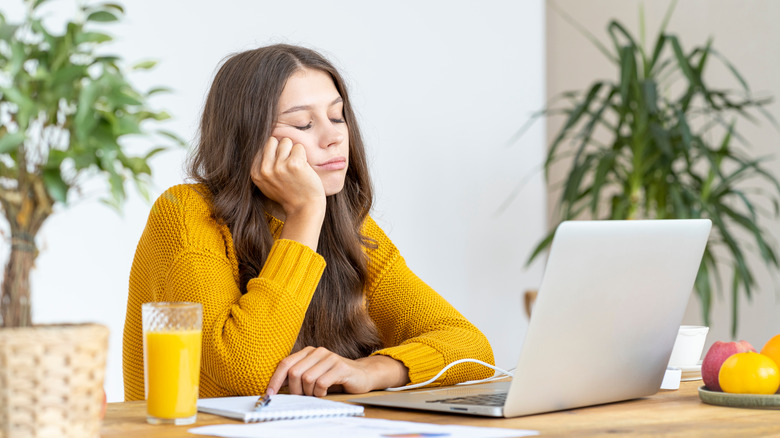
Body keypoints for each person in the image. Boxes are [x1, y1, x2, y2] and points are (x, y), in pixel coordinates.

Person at [122, 44, 494, 400]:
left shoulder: (350, 230)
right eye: (303, 124)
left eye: (337, 116)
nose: (334, 137)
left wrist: (371, 370)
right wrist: (305, 212)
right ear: (246, 139)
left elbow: (472, 348)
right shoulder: (186, 212)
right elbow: (244, 368)